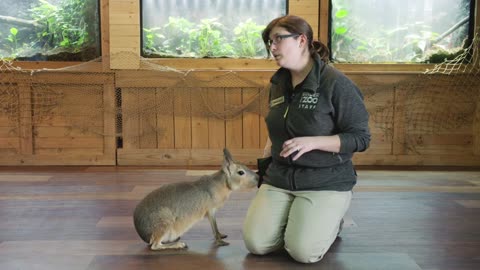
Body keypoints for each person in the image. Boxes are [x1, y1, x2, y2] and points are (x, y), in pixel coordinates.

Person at [242, 15, 371, 264]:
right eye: (270, 42)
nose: (272, 47)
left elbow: (360, 138)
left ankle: (331, 220)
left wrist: (313, 142)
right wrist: (265, 165)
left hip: (325, 179)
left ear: (302, 40)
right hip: (280, 177)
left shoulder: (336, 84)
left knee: (303, 252)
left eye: (279, 39)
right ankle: (300, 219)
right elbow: (277, 129)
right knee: (256, 243)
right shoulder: (278, 83)